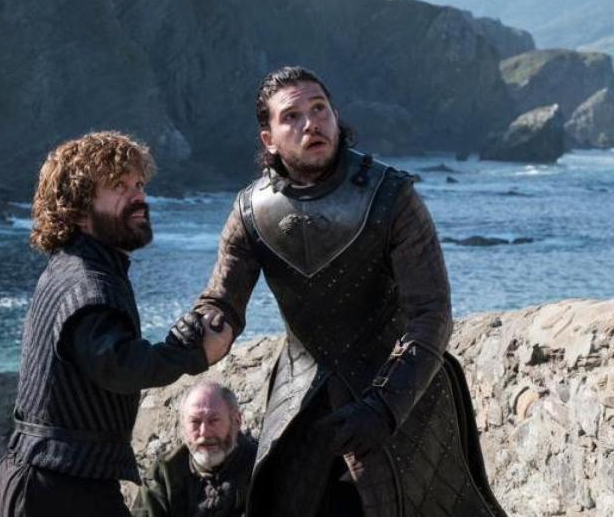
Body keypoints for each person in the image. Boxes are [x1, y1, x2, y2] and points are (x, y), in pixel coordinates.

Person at [193, 67, 507, 516]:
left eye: (319, 109)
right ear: (269, 140)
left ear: (336, 116)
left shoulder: (391, 196)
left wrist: (384, 407)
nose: (310, 123)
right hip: (302, 406)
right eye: (293, 116)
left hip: (404, 403)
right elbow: (222, 302)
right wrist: (198, 329)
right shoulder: (250, 211)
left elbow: (431, 313)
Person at [0, 131, 234, 517]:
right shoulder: (89, 282)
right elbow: (117, 364)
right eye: (118, 186)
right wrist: (193, 353)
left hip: (48, 478)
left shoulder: (75, 266)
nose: (138, 196)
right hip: (58, 488)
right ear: (79, 211)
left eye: (138, 184)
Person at [133, 382, 257, 517]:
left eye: (214, 420)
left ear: (236, 421)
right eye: (195, 422)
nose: (204, 433)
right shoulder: (164, 474)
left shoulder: (260, 467)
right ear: (183, 427)